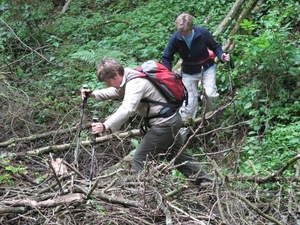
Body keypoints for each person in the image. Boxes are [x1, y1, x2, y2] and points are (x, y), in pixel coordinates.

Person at [81, 58, 213, 184]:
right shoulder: (129, 76)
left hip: (164, 124)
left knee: (140, 158)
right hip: (171, 120)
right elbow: (117, 92)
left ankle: (146, 196)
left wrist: (106, 126)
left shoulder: (135, 83)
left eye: (107, 82)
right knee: (179, 155)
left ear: (115, 75)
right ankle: (206, 183)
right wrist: (94, 94)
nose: (108, 85)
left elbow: (127, 108)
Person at [162, 13, 230, 141]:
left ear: (192, 28)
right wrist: (167, 73)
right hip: (188, 72)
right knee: (188, 104)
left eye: (186, 33)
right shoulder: (176, 38)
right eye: (181, 33)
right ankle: (181, 139)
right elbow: (167, 57)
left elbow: (215, 47)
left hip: (207, 68)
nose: (184, 35)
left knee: (210, 94)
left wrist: (222, 56)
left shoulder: (202, 33)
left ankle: (210, 118)